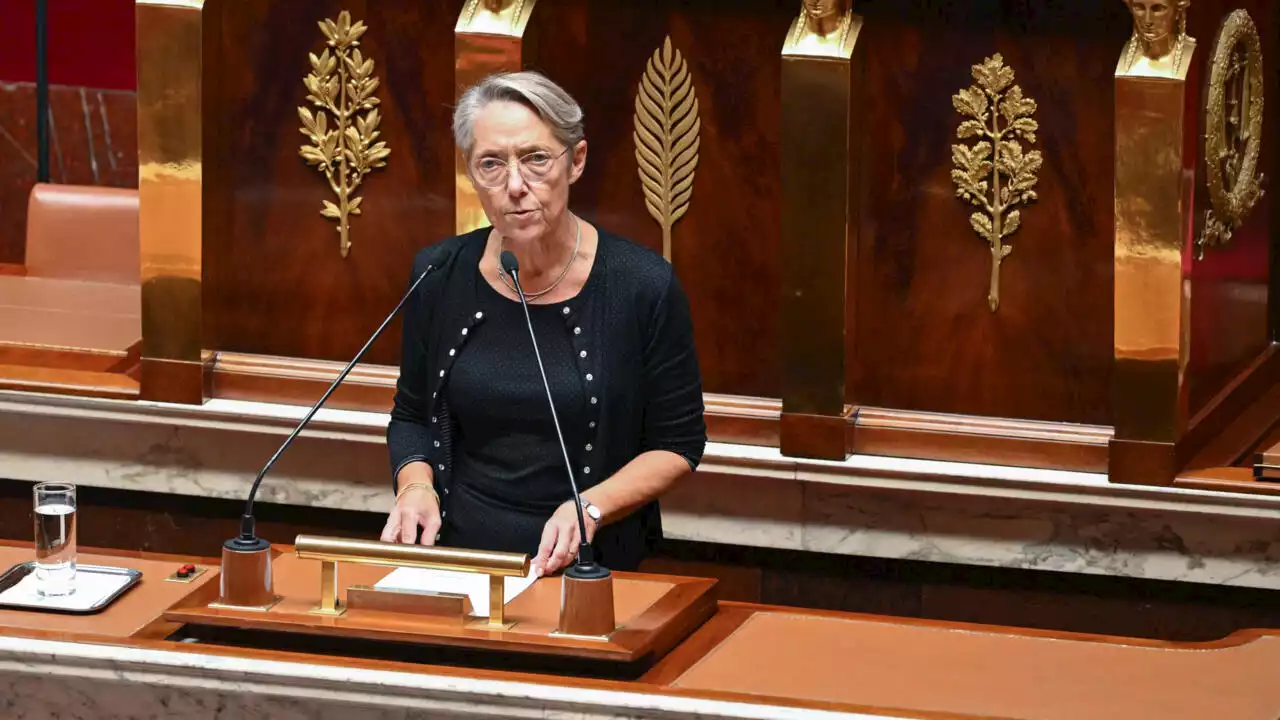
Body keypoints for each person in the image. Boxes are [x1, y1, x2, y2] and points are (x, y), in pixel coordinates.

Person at [381, 71, 706, 575]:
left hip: (593, 568)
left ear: (575, 162)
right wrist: (416, 486)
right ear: (471, 173)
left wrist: (591, 507)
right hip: (459, 561)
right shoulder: (438, 274)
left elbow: (679, 443)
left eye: (535, 159)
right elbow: (411, 415)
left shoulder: (641, 285)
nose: (515, 186)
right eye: (491, 164)